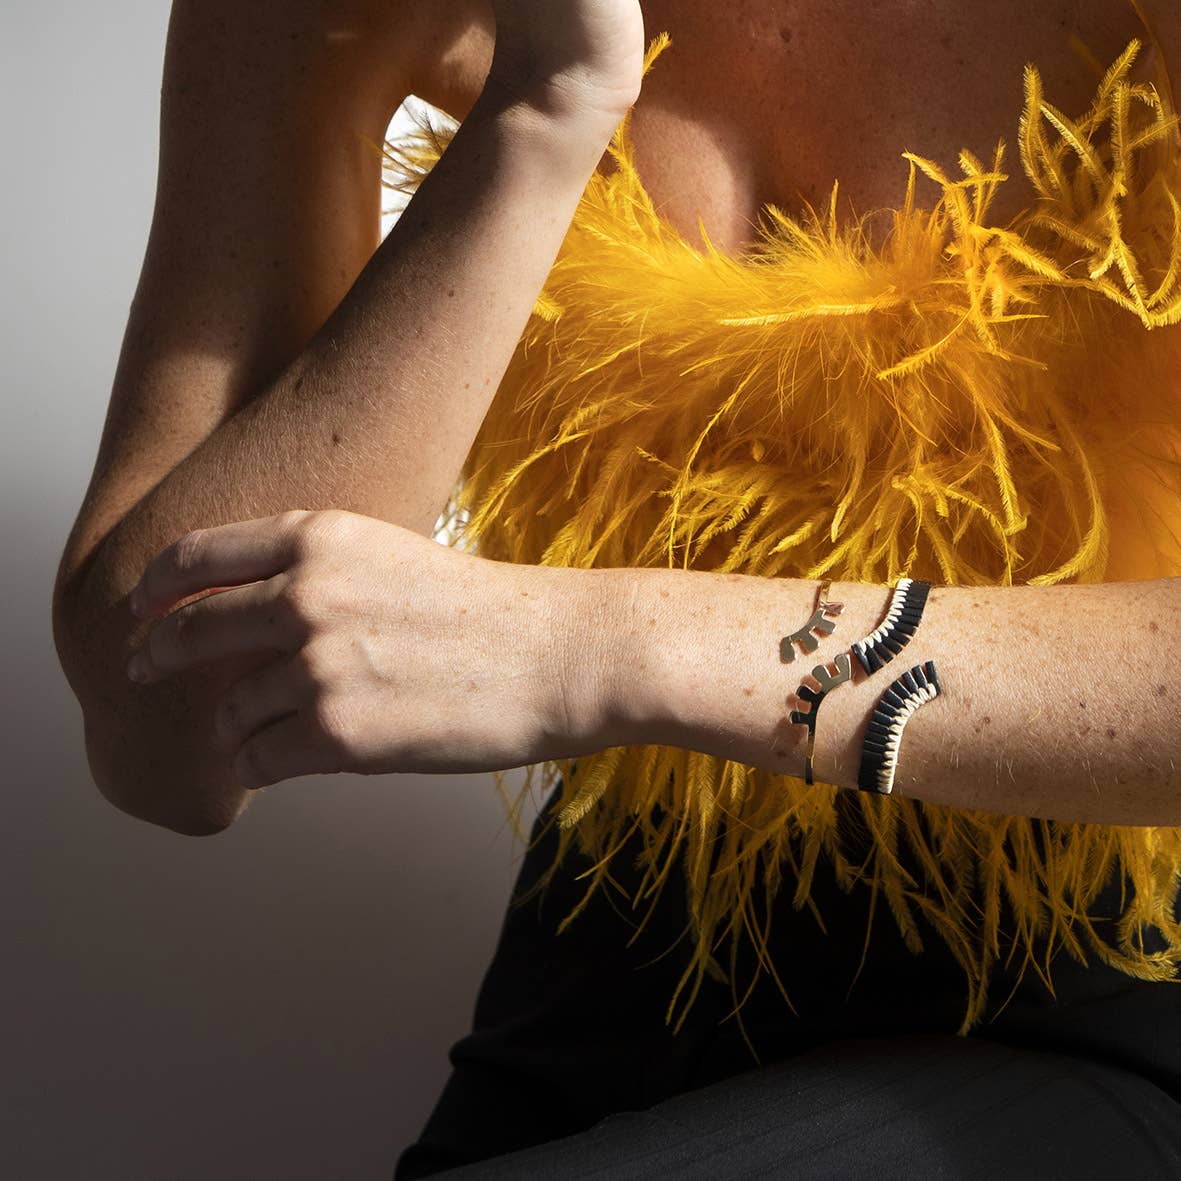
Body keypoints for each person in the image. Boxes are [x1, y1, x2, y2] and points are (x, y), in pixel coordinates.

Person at [50, 0, 1181, 1176]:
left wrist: (595, 643)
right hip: (624, 947)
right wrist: (547, 106)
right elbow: (160, 738)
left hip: (1101, 979)